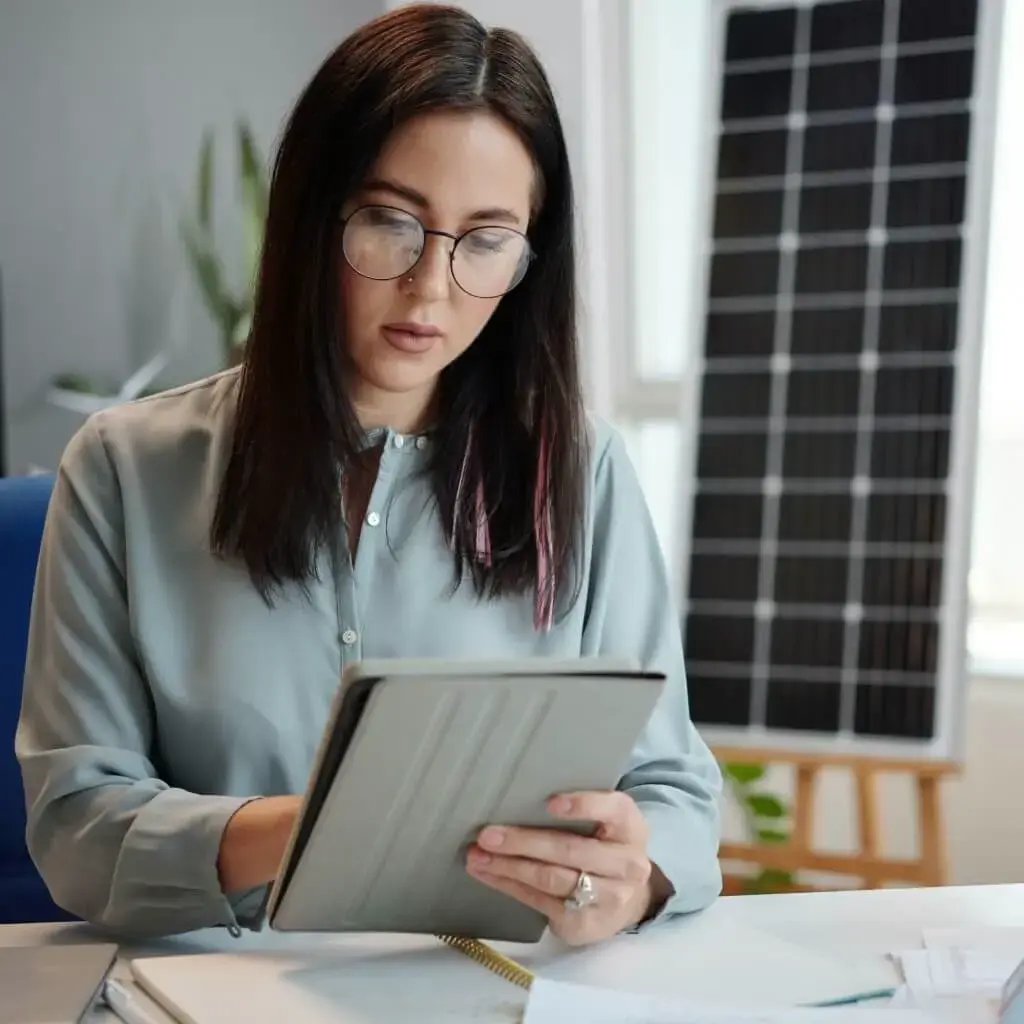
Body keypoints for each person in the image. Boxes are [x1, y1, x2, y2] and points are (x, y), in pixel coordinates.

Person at [16, 3, 722, 945]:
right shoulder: (124, 469)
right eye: (393, 223)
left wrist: (628, 881)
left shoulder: (582, 471)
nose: (432, 287)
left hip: (486, 987)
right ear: (315, 213)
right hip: (214, 990)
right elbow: (75, 830)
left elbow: (674, 795)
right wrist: (311, 827)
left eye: (486, 240)